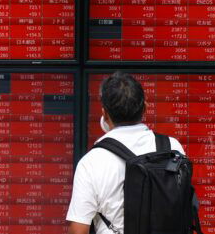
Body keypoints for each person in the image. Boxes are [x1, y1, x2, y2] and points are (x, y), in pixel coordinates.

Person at [66, 71, 186, 234]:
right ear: (145, 107)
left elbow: (78, 231)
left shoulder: (92, 162)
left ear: (105, 114)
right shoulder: (172, 148)